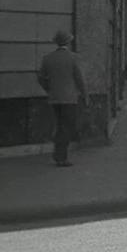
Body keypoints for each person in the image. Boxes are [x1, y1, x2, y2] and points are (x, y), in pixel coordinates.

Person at [37, 30, 88, 167]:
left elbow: (41, 77)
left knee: (59, 125)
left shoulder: (47, 58)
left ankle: (58, 153)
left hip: (54, 97)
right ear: (69, 42)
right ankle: (61, 156)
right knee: (66, 127)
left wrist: (49, 89)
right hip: (69, 98)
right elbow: (80, 79)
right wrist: (85, 95)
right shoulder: (73, 58)